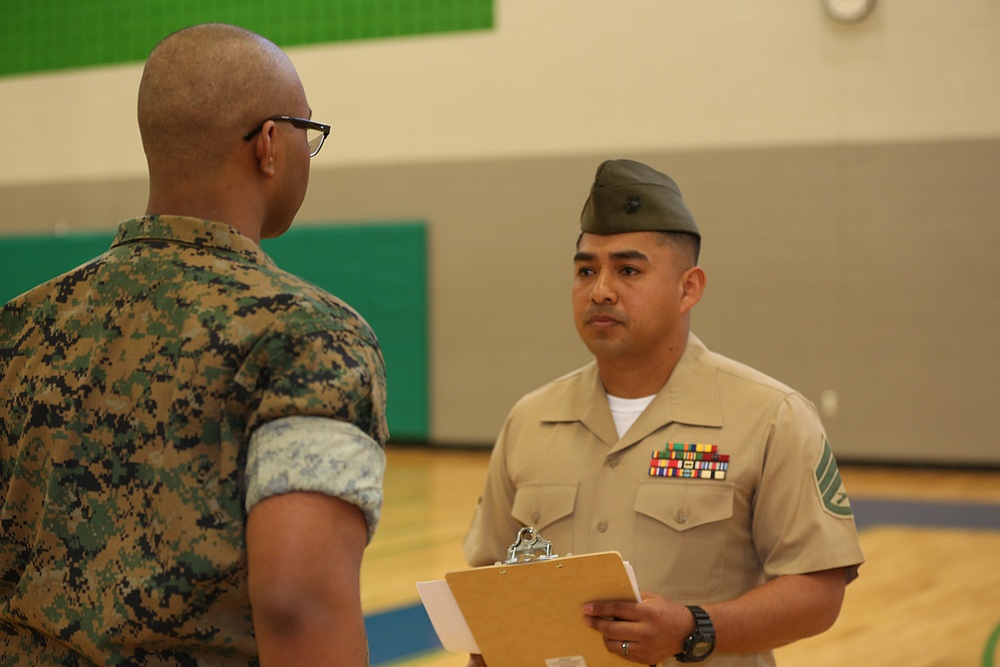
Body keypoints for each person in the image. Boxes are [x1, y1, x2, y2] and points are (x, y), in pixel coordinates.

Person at [0, 24, 387, 666]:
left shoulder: (19, 325)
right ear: (269, 145)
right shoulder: (310, 337)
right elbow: (299, 603)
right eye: (306, 134)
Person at [463, 159, 864, 666]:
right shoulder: (530, 419)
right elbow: (488, 581)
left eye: (628, 270)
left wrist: (694, 628)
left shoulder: (772, 417)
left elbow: (819, 592)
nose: (600, 290)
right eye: (586, 270)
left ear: (688, 288)